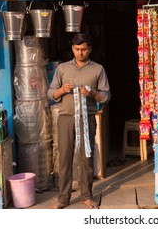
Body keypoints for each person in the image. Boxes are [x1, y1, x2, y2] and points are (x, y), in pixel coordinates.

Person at [47, 33, 111, 209]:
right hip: (66, 118)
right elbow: (50, 93)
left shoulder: (98, 69)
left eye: (83, 49)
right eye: (77, 49)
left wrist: (93, 93)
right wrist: (61, 90)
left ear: (89, 49)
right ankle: (63, 198)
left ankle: (87, 195)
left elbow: (106, 96)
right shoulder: (62, 68)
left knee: (86, 158)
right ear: (72, 49)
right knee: (65, 158)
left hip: (87, 117)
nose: (80, 53)